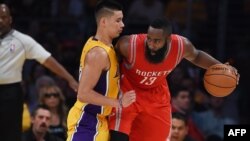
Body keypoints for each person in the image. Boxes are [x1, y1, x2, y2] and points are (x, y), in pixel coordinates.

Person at [109, 17, 239, 141]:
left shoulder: (181, 46)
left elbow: (197, 56)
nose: (151, 44)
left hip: (157, 95)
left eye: (157, 41)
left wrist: (221, 67)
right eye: (149, 39)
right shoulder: (129, 45)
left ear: (168, 41)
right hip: (128, 91)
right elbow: (111, 62)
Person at [0, 3, 78, 141]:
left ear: (10, 19)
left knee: (10, 135)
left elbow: (47, 60)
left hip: (10, 92)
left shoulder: (22, 40)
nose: (0, 20)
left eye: (3, 17)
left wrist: (69, 79)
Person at [66, 1, 136, 141]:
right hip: (87, 121)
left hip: (100, 121)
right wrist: (119, 103)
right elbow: (83, 93)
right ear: (103, 21)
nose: (122, 25)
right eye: (118, 20)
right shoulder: (99, 53)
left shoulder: (106, 46)